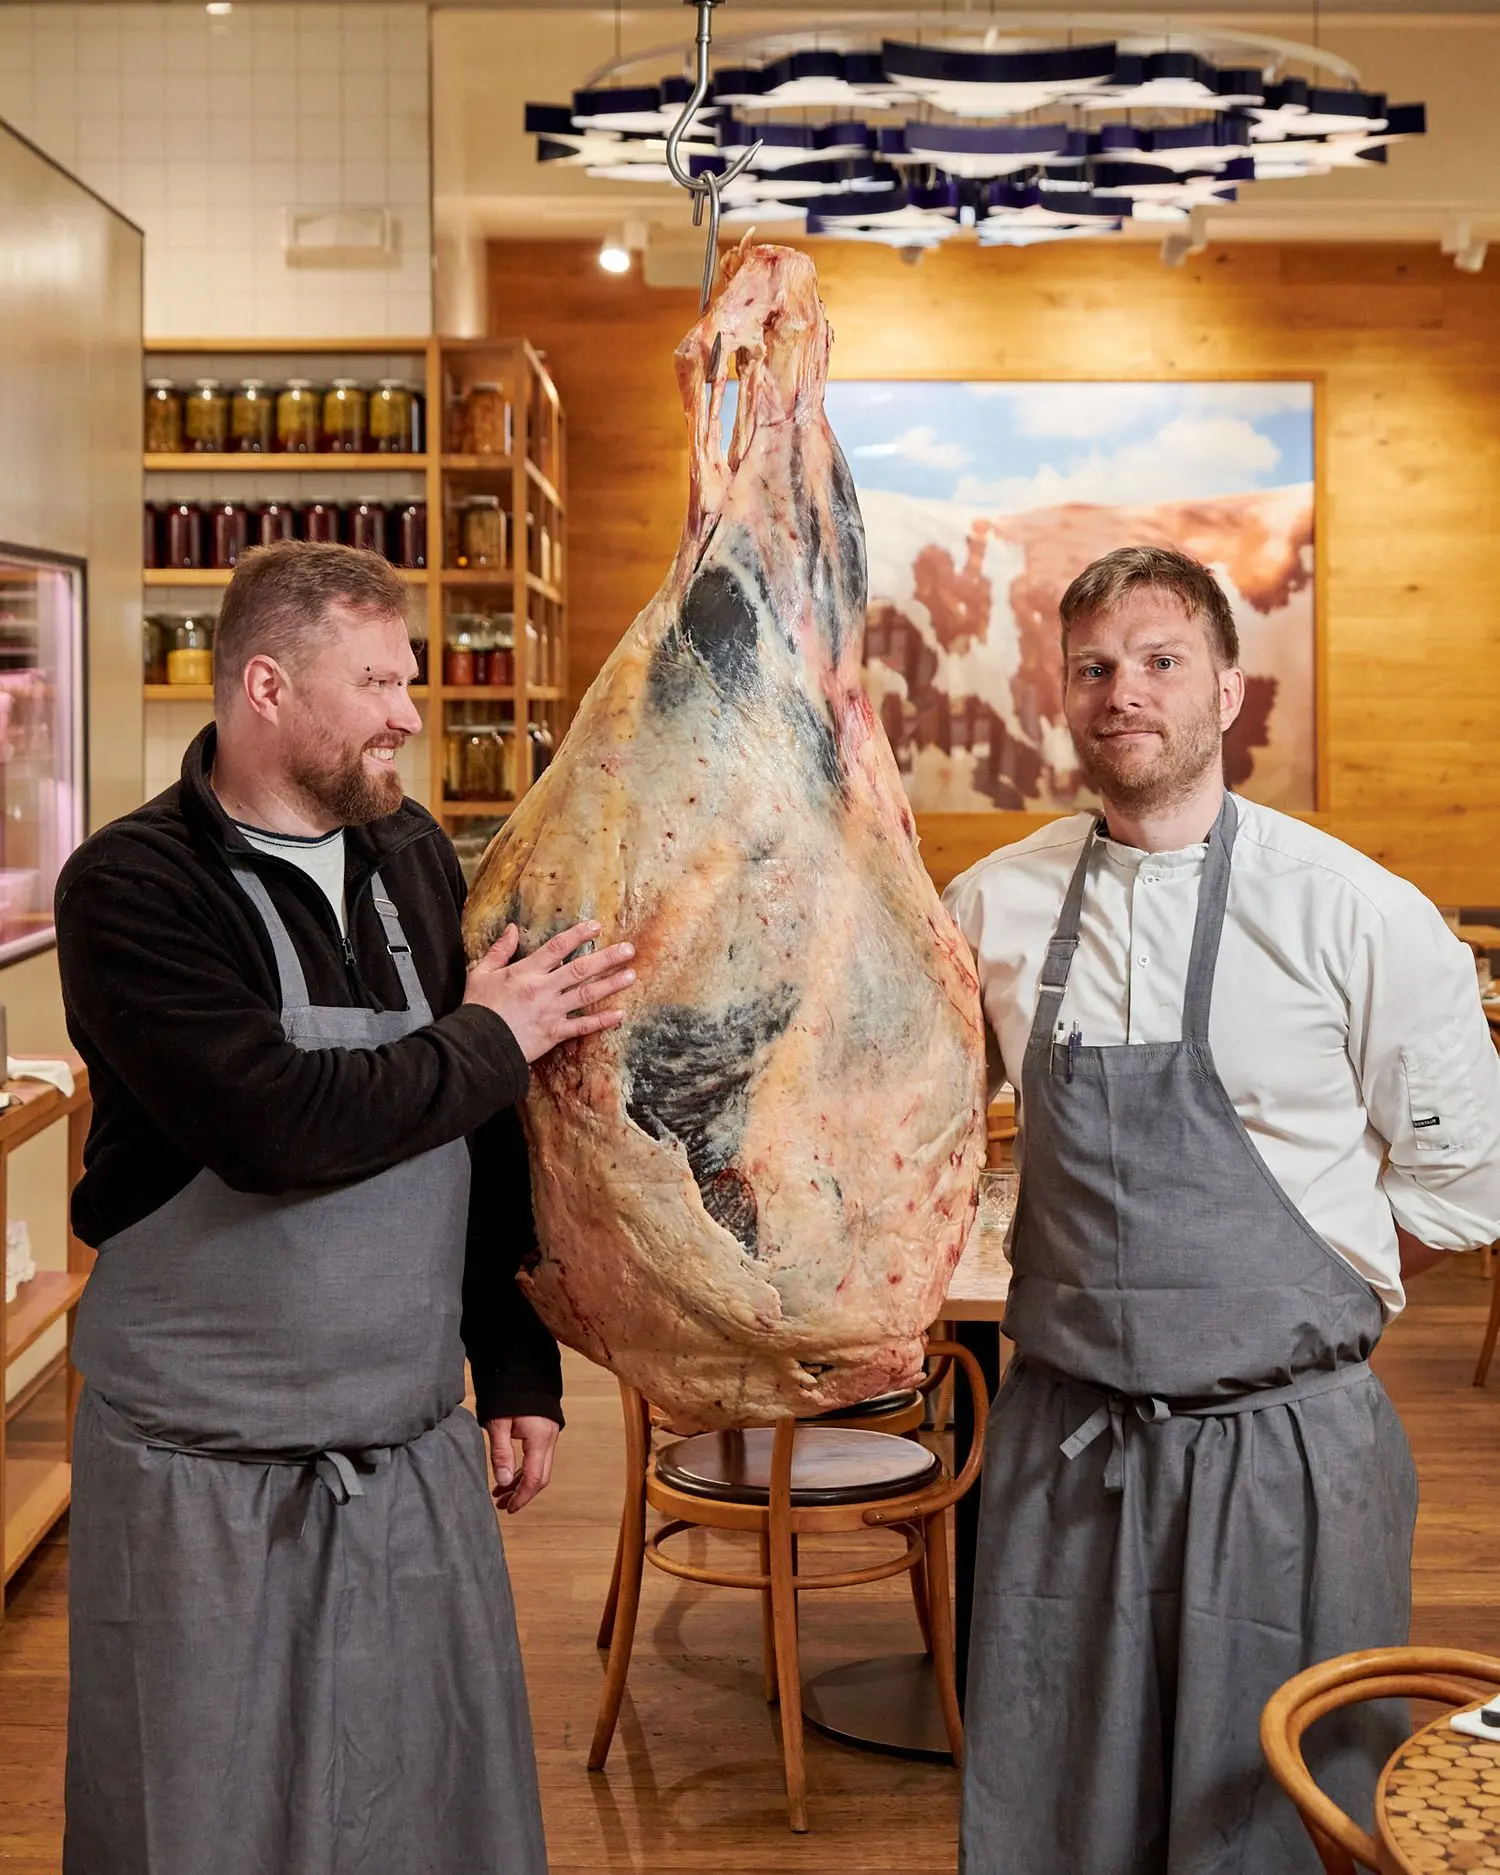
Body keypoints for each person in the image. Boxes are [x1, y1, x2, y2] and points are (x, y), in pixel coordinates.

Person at [55, 540, 636, 1875]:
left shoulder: (410, 851)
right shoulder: (133, 889)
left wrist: (517, 1361)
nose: (410, 713)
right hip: (204, 1484)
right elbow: (272, 1124)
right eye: (376, 681)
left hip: (405, 1449)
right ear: (266, 686)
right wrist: (496, 1034)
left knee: (418, 1812)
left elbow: (477, 1134)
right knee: (203, 1818)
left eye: (411, 678)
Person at [945, 545, 1500, 1874]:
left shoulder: (1359, 913)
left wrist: (1278, 1300)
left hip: (1290, 1457)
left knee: (1272, 1817)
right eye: (1090, 667)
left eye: (1157, 660)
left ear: (1229, 689)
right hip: (1066, 1455)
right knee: (1056, 1814)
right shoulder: (989, 909)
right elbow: (920, 1129)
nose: (1120, 691)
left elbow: (1465, 1184)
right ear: (1059, 695)